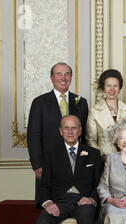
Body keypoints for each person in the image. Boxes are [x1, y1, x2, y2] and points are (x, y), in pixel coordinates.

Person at [35, 115, 103, 224]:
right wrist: (48, 202)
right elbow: (44, 185)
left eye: (74, 128)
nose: (70, 131)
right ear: (60, 131)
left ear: (80, 131)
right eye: (66, 128)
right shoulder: (51, 154)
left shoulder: (93, 154)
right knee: (42, 222)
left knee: (87, 216)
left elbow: (101, 184)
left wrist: (92, 199)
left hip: (84, 200)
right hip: (61, 201)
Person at [27, 62, 89, 208]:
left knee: (75, 203)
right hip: (48, 164)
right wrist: (37, 165)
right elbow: (33, 136)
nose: (63, 78)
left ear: (71, 78)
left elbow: (85, 134)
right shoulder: (39, 102)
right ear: (51, 78)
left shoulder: (81, 102)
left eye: (67, 74)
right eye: (59, 74)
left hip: (75, 163)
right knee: (50, 206)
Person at [86, 69, 126, 161]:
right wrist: (103, 157)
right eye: (108, 86)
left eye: (115, 86)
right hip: (103, 161)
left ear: (119, 88)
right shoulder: (95, 111)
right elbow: (91, 140)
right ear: (103, 88)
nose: (112, 89)